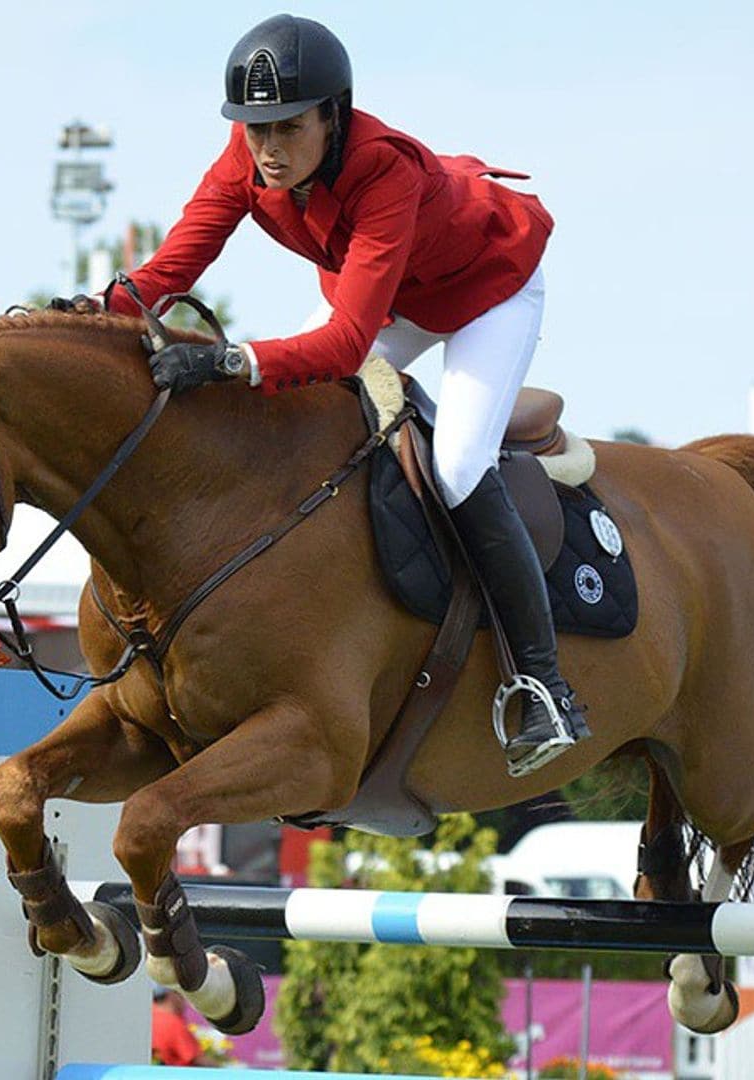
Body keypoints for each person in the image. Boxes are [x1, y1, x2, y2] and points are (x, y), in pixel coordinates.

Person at [102, 13, 590, 774]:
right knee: (293, 422)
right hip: (390, 293)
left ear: (334, 114)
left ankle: (543, 683)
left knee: (459, 464)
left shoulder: (384, 169)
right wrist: (84, 319)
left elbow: (343, 346)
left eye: (288, 126)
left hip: (486, 291)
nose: (267, 147)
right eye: (254, 126)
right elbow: (167, 271)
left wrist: (230, 361)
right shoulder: (247, 159)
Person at [151, 986, 221, 1066]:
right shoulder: (172, 1023)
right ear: (173, 995)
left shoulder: (149, 1017)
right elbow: (198, 1060)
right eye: (182, 995)